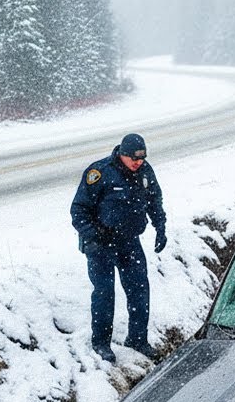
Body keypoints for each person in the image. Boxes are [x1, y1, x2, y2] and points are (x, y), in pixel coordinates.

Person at [70, 133, 167, 363]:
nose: (137, 163)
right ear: (122, 154)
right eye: (133, 159)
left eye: (141, 159)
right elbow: (78, 210)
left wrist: (160, 226)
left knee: (139, 288)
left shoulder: (145, 171)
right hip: (101, 245)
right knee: (104, 292)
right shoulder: (100, 172)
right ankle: (101, 342)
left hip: (129, 241)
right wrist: (94, 234)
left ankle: (137, 339)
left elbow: (155, 200)